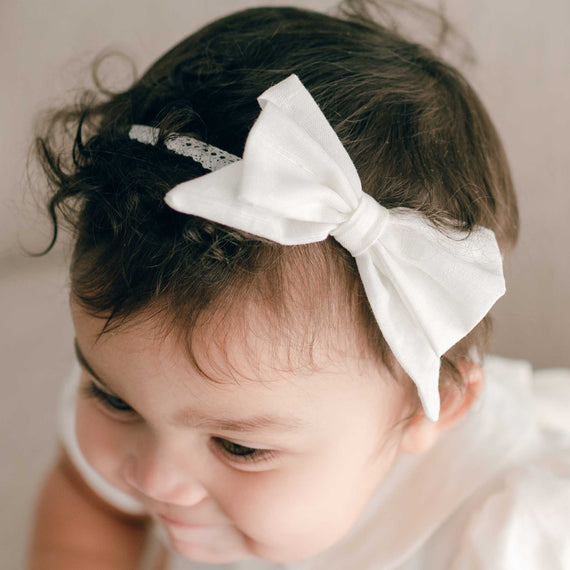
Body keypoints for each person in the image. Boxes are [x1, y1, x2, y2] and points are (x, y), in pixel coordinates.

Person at [27, 2, 570, 569]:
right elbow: (91, 497)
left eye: (240, 447)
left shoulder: (515, 537)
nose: (153, 479)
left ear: (426, 411)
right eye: (112, 399)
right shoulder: (155, 386)